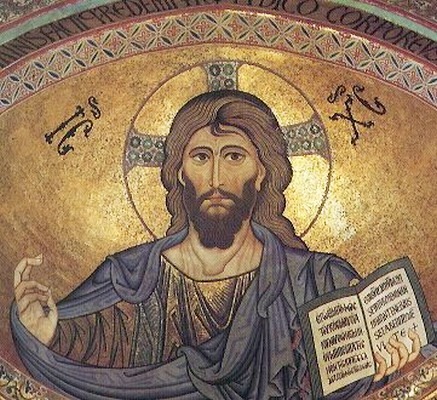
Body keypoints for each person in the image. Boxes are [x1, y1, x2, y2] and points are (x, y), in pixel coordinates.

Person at [11, 90, 421, 399]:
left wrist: (384, 371)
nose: (216, 179)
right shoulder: (128, 279)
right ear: (179, 171)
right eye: (201, 157)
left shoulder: (316, 281)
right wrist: (46, 334)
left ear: (262, 172)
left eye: (234, 156)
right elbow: (83, 357)